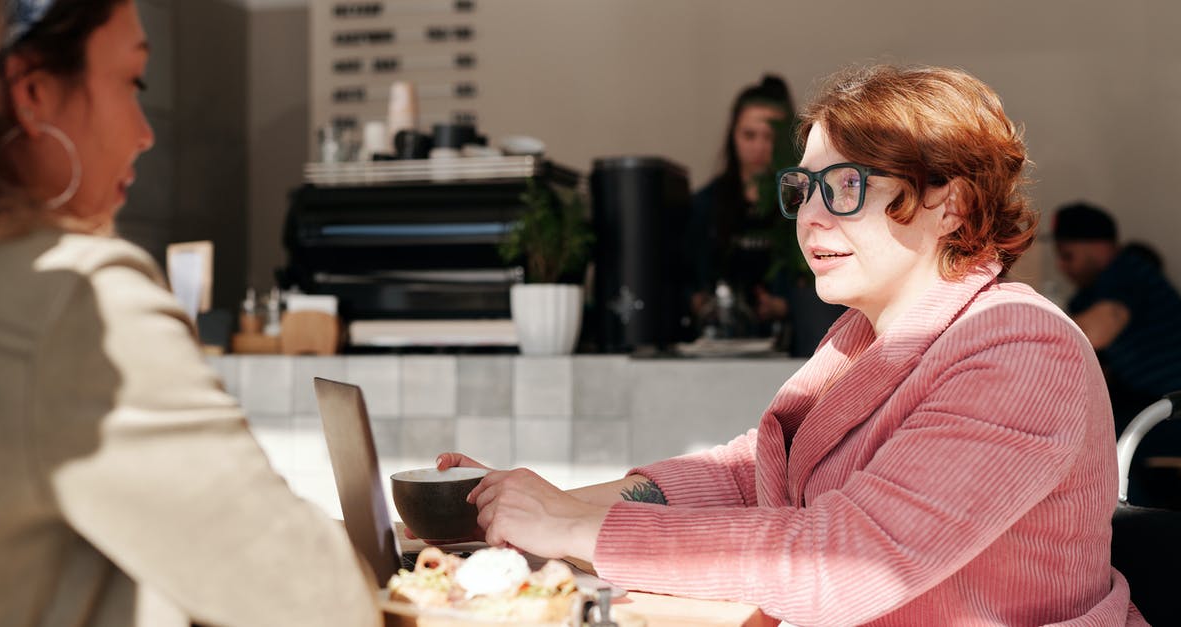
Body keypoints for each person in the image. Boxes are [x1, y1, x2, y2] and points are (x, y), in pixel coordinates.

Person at [434, 65, 1143, 625]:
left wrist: (582, 528)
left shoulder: (1021, 348)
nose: (809, 217)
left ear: (948, 202)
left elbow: (851, 561)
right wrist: (540, 506)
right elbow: (755, 474)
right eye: (803, 188)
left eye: (844, 187)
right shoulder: (866, 336)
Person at [0, 2, 380, 626]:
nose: (146, 132)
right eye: (131, 82)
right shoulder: (80, 303)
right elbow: (323, 606)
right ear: (33, 93)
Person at [1052, 202, 1181, 431]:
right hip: (1152, 405)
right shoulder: (1089, 294)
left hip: (1171, 407)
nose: (1061, 266)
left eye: (1067, 255)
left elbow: (1099, 330)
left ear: (1099, 247)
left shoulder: (1128, 271)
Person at [687, 74, 796, 337]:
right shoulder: (704, 204)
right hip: (718, 341)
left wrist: (786, 305)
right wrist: (701, 303)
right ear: (733, 135)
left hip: (788, 345)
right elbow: (684, 280)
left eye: (769, 137)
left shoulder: (803, 202)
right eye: (749, 135)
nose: (759, 146)